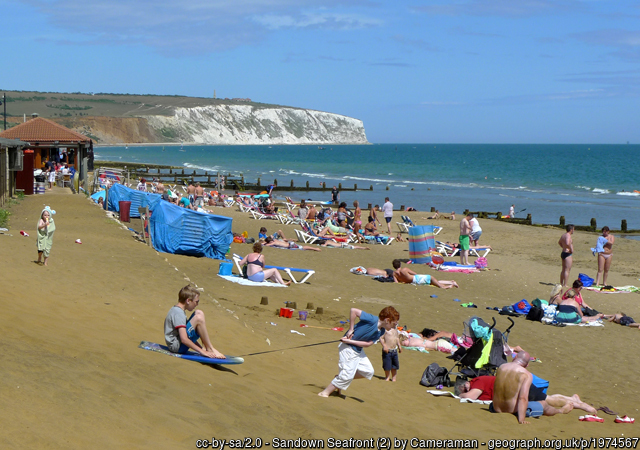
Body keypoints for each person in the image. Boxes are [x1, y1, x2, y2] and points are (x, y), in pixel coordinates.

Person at [491, 351, 600, 423]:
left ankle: (574, 401)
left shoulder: (502, 367)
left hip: (496, 407)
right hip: (511, 410)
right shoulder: (525, 374)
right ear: (527, 365)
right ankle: (561, 411)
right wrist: (521, 419)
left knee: (546, 397)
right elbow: (523, 398)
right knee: (544, 402)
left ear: (514, 358)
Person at [318, 306, 400, 397]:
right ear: (387, 320)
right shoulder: (372, 319)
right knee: (346, 375)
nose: (394, 326)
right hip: (347, 348)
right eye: (394, 324)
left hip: (357, 349)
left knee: (368, 372)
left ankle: (339, 379)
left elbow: (368, 344)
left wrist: (350, 341)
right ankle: (324, 393)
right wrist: (351, 329)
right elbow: (353, 311)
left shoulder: (382, 331)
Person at [456, 375, 597, 415]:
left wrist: (460, 396)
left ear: (465, 385)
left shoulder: (477, 381)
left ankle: (582, 406)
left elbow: (470, 397)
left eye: (464, 389)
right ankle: (573, 399)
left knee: (550, 399)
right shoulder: (478, 383)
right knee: (548, 397)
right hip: (515, 388)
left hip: (518, 387)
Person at [164, 285, 225, 359]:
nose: (197, 304)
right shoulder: (178, 314)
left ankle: (208, 348)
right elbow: (184, 339)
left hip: (178, 343)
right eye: (196, 302)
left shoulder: (178, 310)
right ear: (188, 301)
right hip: (177, 347)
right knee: (198, 318)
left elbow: (186, 334)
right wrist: (202, 352)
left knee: (199, 312)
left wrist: (200, 348)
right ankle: (210, 348)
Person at [392, 259, 459, 289]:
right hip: (416, 279)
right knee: (432, 279)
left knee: (433, 282)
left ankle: (451, 282)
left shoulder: (394, 274)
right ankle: (449, 286)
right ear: (400, 264)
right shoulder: (404, 269)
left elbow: (396, 283)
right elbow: (415, 274)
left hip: (414, 281)